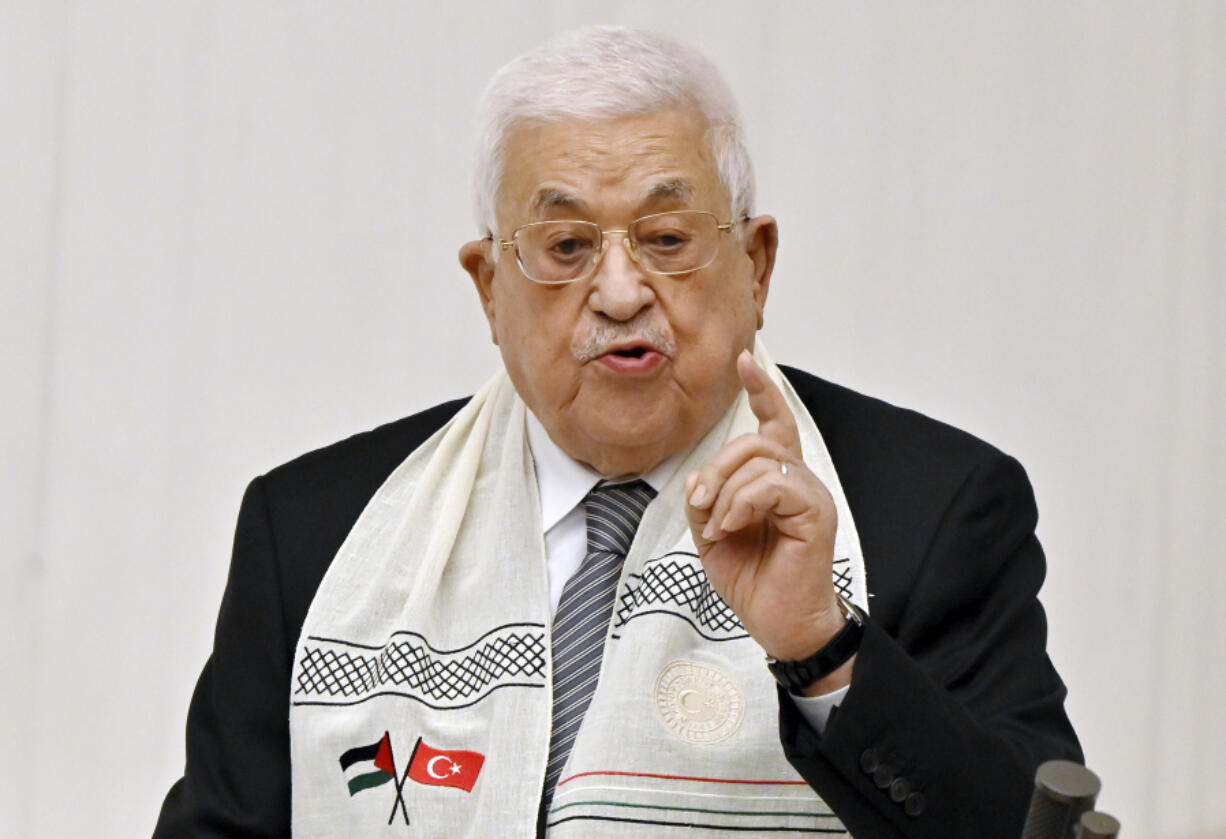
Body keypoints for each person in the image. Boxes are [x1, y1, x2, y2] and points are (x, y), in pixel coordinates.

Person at [154, 25, 1080, 839]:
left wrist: (824, 648)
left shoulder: (930, 510)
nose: (622, 291)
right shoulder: (314, 532)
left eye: (668, 238)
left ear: (755, 267)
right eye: (565, 248)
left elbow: (1028, 828)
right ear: (488, 286)